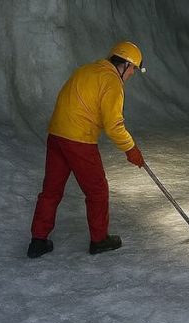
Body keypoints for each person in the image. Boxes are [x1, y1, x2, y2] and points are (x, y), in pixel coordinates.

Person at [26, 41, 148, 258]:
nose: (131, 75)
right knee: (97, 190)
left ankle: (38, 240)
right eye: (133, 71)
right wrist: (131, 149)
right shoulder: (112, 82)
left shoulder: (87, 69)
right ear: (126, 66)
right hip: (79, 139)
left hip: (56, 134)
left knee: (51, 190)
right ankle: (99, 240)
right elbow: (114, 125)